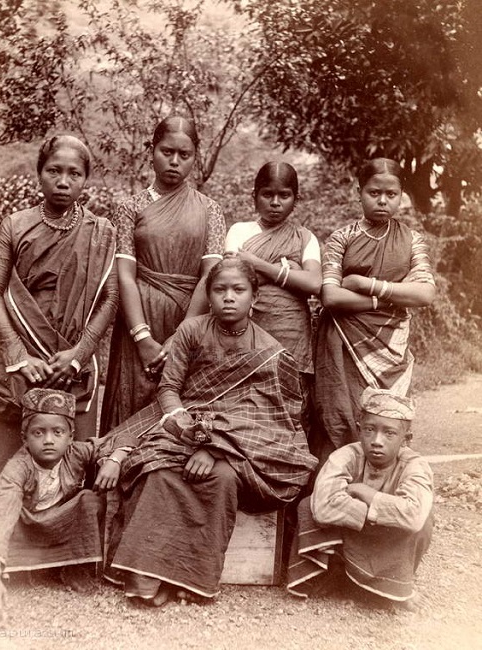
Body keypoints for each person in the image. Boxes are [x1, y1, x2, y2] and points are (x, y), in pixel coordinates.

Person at [102, 255, 318, 606]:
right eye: (219, 290)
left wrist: (214, 448)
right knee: (157, 469)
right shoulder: (191, 330)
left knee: (221, 479)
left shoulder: (269, 352)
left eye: (238, 290)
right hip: (184, 428)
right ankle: (148, 576)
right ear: (209, 295)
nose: (228, 297)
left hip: (237, 446)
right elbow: (169, 388)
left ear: (255, 297)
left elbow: (268, 417)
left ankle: (192, 578)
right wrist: (181, 424)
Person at [0, 134, 118, 501]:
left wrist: (79, 354)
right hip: (23, 364)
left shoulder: (101, 232)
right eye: (54, 171)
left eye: (74, 173)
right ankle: (2, 522)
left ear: (86, 179)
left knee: (73, 466)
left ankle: (64, 528)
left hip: (73, 366)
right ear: (39, 172)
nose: (63, 181)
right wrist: (16, 354)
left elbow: (109, 298)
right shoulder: (15, 225)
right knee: (8, 464)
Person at [100, 116, 226, 434]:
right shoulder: (130, 208)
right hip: (137, 321)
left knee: (180, 412)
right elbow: (125, 275)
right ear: (152, 151)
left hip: (190, 321)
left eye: (184, 155)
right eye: (166, 152)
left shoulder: (210, 209)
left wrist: (181, 336)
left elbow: (210, 276)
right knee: (128, 406)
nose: (174, 161)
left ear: (195, 157)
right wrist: (142, 338)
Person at [313, 158, 435, 464]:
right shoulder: (342, 238)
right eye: (374, 192)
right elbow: (331, 296)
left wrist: (365, 284)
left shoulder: (411, 240)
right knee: (339, 415)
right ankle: (337, 484)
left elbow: (425, 293)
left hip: (392, 347)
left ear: (401, 195)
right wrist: (389, 297)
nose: (382, 200)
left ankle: (386, 486)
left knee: (388, 420)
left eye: (391, 194)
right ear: (359, 193)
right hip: (342, 345)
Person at [0, 388, 128, 622]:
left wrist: (115, 459)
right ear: (24, 438)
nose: (48, 440)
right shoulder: (18, 467)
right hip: (28, 526)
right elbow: (3, 512)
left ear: (70, 437)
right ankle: (35, 566)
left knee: (90, 501)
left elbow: (122, 438)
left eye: (57, 432)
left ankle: (71, 565)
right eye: (38, 432)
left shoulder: (77, 452)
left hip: (61, 524)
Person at [287, 388, 433, 610]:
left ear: (406, 440)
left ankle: (393, 585)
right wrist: (378, 513)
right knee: (309, 505)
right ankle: (340, 579)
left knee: (425, 520)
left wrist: (367, 494)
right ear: (358, 429)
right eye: (369, 430)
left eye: (389, 433)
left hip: (386, 536)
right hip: (357, 534)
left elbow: (413, 516)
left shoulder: (415, 465)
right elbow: (323, 505)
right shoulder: (346, 456)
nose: (377, 441)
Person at [225, 161, 322, 377]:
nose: (275, 203)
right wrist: (289, 271)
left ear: (296, 199)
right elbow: (231, 281)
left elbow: (314, 283)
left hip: (292, 332)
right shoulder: (239, 231)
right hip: (246, 327)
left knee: (289, 391)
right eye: (267, 194)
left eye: (284, 195)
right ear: (255, 196)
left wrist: (258, 264)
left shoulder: (305, 237)